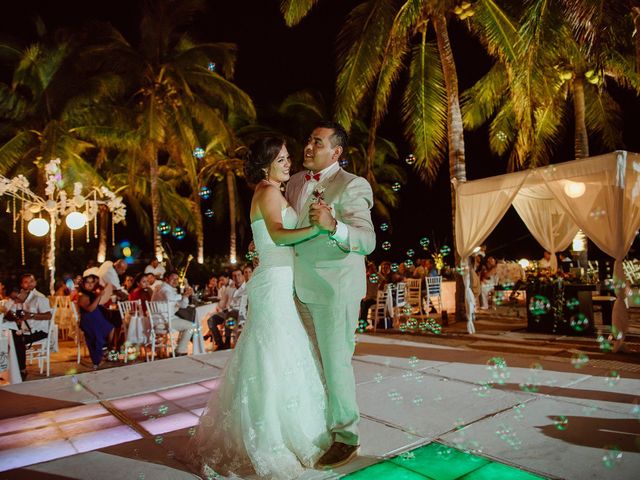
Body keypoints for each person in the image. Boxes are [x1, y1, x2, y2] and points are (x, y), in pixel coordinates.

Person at [190, 136, 331, 478]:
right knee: (273, 353)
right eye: (282, 158)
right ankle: (272, 437)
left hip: (281, 279)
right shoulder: (268, 192)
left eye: (287, 157)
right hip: (274, 281)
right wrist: (317, 228)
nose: (288, 163)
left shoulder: (271, 192)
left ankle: (284, 428)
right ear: (266, 163)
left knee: (279, 351)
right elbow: (280, 236)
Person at [285, 121, 375, 467]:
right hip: (296, 288)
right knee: (308, 364)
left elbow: (367, 241)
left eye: (317, 142)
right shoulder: (294, 182)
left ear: (336, 152)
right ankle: (318, 428)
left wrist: (335, 226)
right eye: (308, 139)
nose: (308, 146)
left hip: (334, 290)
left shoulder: (353, 185)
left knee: (336, 365)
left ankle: (346, 437)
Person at [3, 274, 53, 380]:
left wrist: (31, 315)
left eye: (17, 295)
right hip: (25, 331)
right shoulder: (20, 302)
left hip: (39, 331)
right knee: (8, 337)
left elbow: (49, 315)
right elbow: (10, 314)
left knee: (17, 340)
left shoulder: (39, 299)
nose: (16, 297)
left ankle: (22, 369)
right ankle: (9, 368)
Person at [151, 271, 195, 356]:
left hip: (168, 318)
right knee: (191, 326)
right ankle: (180, 351)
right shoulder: (162, 288)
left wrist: (186, 296)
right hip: (162, 320)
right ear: (166, 279)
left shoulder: (171, 290)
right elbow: (169, 297)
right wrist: (183, 295)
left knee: (188, 324)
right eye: (173, 279)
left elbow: (183, 306)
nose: (175, 281)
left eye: (177, 279)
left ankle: (179, 349)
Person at [77, 272, 114, 370]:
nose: (90, 284)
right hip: (89, 320)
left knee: (110, 328)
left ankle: (105, 348)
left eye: (92, 283)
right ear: (83, 284)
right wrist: (98, 296)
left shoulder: (92, 293)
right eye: (87, 282)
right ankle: (98, 359)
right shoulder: (83, 296)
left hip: (96, 318)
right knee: (96, 337)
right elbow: (90, 309)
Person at [203, 268, 247, 350]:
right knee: (211, 320)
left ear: (243, 276)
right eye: (234, 276)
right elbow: (223, 302)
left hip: (240, 313)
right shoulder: (229, 288)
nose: (237, 277)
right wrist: (218, 309)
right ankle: (219, 343)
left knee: (230, 315)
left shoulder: (247, 288)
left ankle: (227, 341)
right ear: (232, 278)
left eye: (238, 275)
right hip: (227, 312)